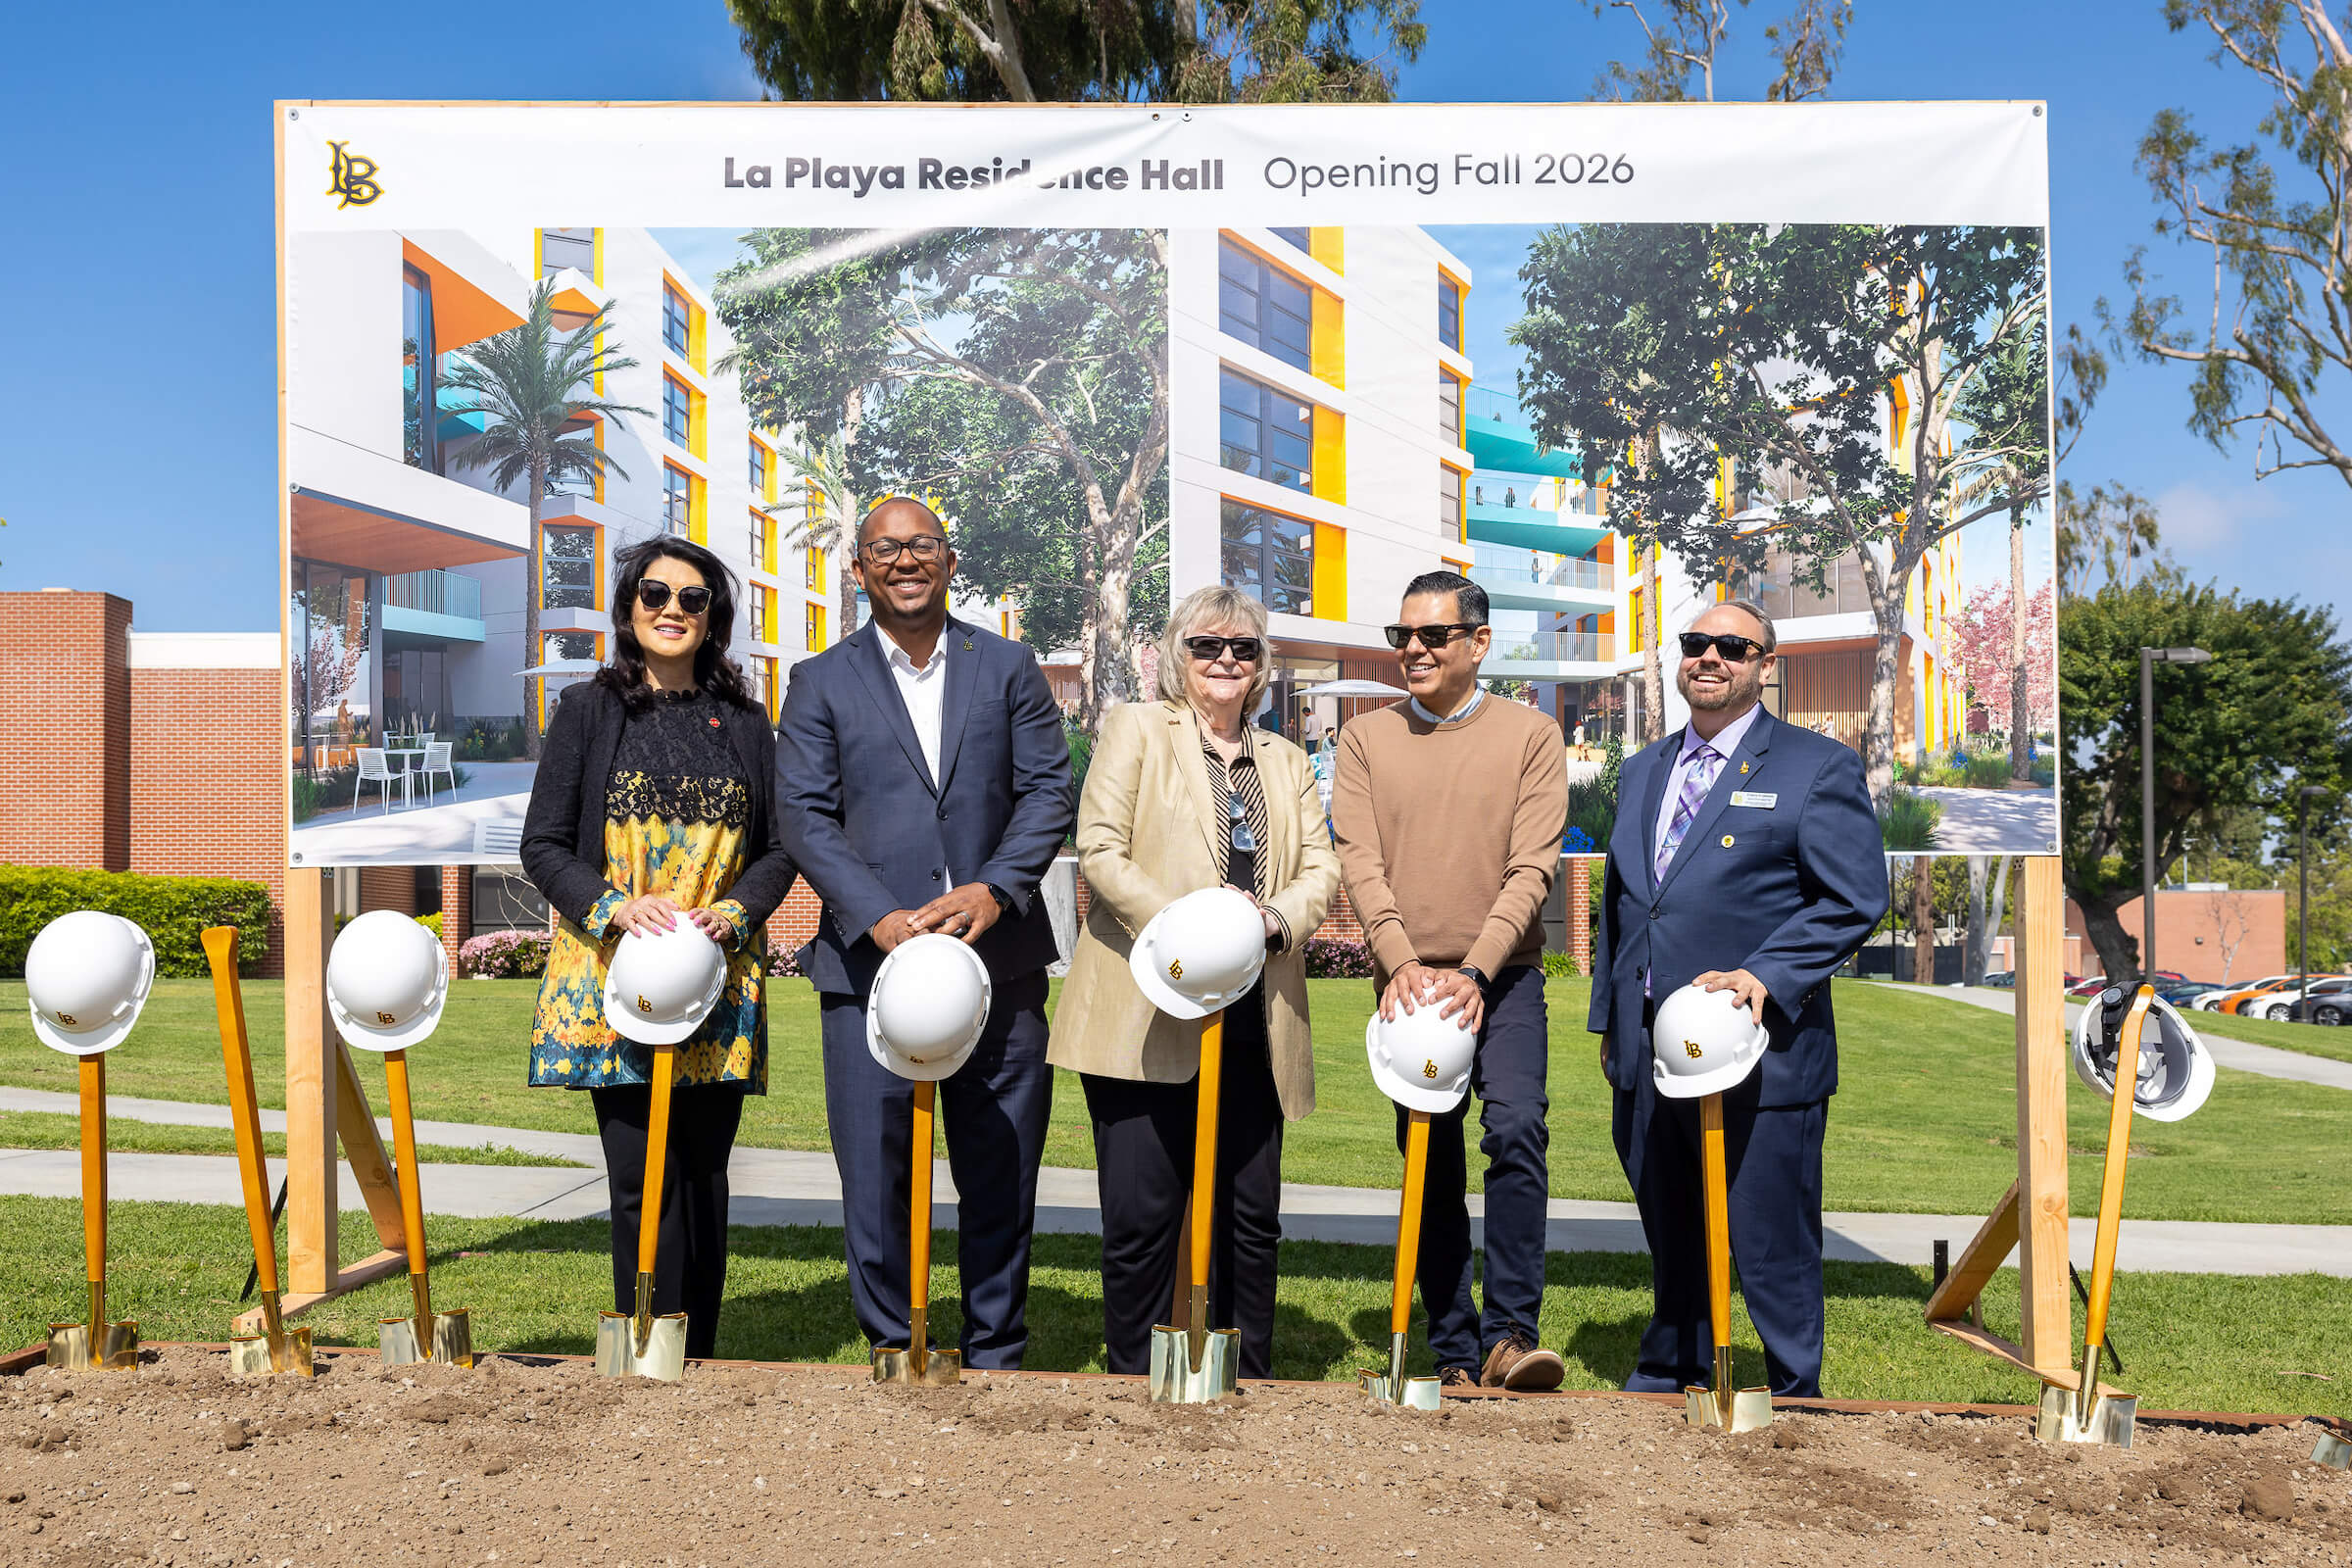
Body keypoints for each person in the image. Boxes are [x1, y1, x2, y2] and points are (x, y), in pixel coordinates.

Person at [774, 496, 1073, 1370]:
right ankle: (892, 1343)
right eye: (884, 549)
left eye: (923, 545)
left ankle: (995, 1351)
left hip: (999, 961)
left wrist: (996, 888)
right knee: (874, 1175)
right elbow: (804, 815)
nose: (905, 560)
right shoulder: (819, 680)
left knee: (1000, 1170)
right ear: (858, 569)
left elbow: (1049, 791)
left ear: (951, 561)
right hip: (870, 966)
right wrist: (878, 915)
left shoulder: (1010, 666)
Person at [1589, 600, 1886, 1398]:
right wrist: (1611, 1021)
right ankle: (1671, 1362)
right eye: (1696, 644)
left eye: (1731, 646)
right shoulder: (1647, 768)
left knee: (1769, 1234)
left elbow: (1854, 898)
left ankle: (1794, 1386)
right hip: (1652, 1049)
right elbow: (1625, 903)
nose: (1709, 657)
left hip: (1762, 1050)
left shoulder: (1814, 766)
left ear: (1765, 664)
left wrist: (1769, 973)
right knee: (1671, 1219)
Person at [1049, 586, 1341, 1378]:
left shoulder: (1284, 759)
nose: (1225, 661)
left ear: (1262, 664)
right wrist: (1197, 928)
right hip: (1146, 1001)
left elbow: (1321, 866)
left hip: (1255, 1011)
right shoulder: (1138, 730)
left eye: (1242, 649)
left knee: (1252, 1216)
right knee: (1143, 1216)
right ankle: (1133, 1379)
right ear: (1178, 656)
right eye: (1207, 646)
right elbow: (1101, 849)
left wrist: (1270, 923)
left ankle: (1246, 1379)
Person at [519, 535, 798, 1360]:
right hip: (616, 974)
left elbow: (780, 847)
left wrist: (737, 913)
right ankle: (644, 1346)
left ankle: (696, 1351)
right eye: (655, 594)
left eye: (693, 599)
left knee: (705, 1178)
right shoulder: (589, 709)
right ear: (629, 607)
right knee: (642, 1178)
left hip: (716, 973)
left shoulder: (747, 723)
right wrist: (612, 906)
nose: (672, 610)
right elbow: (544, 846)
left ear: (715, 618)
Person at [1332, 570, 1569, 1392]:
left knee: (1516, 1131)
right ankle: (1453, 1346)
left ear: (1478, 643)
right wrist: (1401, 962)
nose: (1414, 651)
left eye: (1433, 635)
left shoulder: (1533, 735)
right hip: (1406, 984)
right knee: (1428, 1155)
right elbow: (1358, 862)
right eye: (1403, 636)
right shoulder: (1364, 740)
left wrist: (1476, 966)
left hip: (1503, 981)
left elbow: (1534, 865)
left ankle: (1509, 1335)